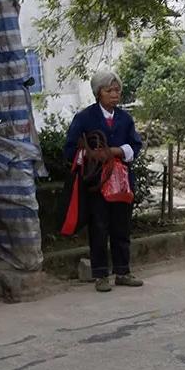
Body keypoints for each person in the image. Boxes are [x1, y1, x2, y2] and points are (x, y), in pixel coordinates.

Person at [63, 72, 144, 293]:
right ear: (99, 93)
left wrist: (117, 151)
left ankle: (122, 272)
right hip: (95, 183)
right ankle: (100, 275)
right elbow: (69, 150)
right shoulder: (84, 118)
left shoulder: (125, 119)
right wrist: (90, 155)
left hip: (121, 182)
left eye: (117, 90)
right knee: (99, 226)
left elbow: (135, 146)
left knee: (122, 226)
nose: (115, 94)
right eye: (109, 91)